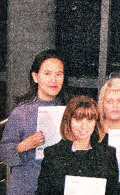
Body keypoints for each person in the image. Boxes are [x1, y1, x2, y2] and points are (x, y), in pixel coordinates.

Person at [0, 49, 69, 195]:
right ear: (35, 77)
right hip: (25, 188)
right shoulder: (21, 112)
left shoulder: (69, 111)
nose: (53, 80)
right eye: (47, 74)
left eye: (59, 74)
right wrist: (23, 146)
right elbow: (4, 154)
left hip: (55, 187)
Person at [36, 95, 119, 195]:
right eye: (78, 120)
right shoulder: (53, 154)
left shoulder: (108, 154)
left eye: (89, 120)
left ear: (96, 123)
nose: (84, 126)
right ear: (68, 121)